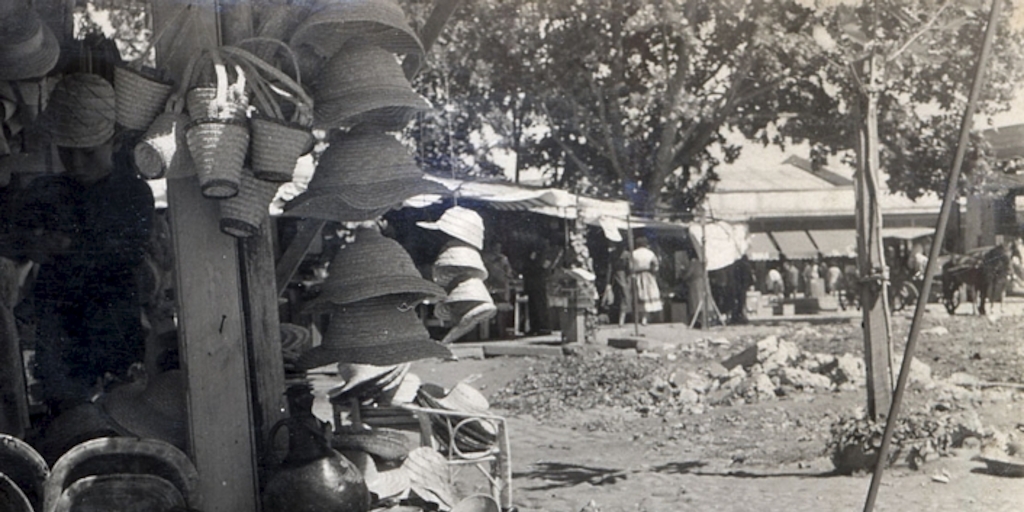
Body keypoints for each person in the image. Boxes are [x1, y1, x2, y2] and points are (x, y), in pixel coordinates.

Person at [14, 74, 154, 415]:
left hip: (113, 335)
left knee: (119, 419)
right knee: (66, 424)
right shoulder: (45, 192)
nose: (75, 164)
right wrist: (29, 245)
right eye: (67, 152)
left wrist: (66, 248)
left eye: (87, 153)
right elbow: (12, 234)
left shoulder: (133, 194)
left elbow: (125, 252)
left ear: (116, 140)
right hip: (58, 342)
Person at [482, 241, 516, 337]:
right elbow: (509, 273)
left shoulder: (500, 259)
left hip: (498, 287)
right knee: (500, 309)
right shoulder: (492, 259)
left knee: (501, 309)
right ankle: (498, 331)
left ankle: (499, 331)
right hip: (495, 286)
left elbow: (508, 272)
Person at [630, 237, 662, 325]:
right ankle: (645, 318)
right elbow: (656, 265)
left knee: (639, 295)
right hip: (648, 275)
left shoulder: (633, 253)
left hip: (636, 275)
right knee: (648, 295)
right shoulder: (650, 253)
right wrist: (654, 271)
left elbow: (630, 266)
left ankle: (639, 317)